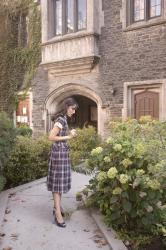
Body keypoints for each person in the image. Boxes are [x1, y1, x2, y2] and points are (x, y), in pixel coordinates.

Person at [47, 97, 78, 228]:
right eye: (72, 109)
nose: (74, 111)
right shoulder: (60, 120)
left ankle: (57, 208)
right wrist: (69, 137)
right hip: (59, 154)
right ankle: (58, 213)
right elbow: (51, 137)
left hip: (61, 153)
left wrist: (69, 132)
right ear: (66, 107)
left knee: (59, 183)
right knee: (58, 184)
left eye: (75, 109)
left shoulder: (63, 119)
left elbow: (60, 134)